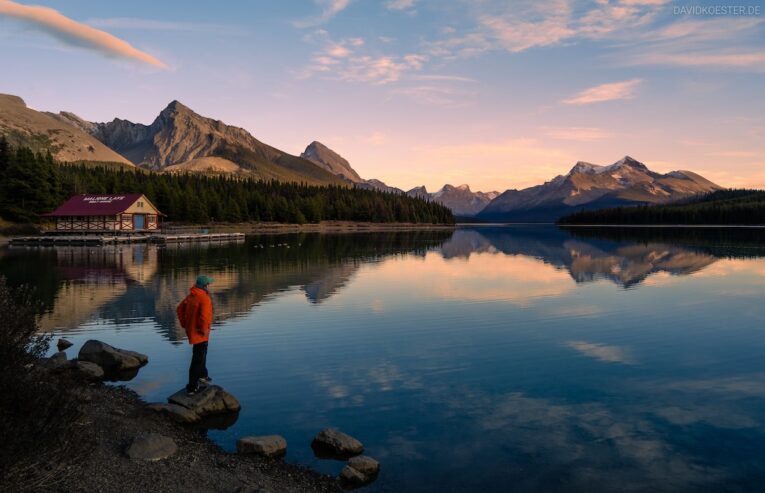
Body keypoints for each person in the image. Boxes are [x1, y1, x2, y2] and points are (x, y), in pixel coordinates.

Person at [176, 275, 214, 395]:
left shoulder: (192, 296)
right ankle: (192, 387)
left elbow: (179, 309)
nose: (210, 286)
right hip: (200, 333)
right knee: (197, 358)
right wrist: (204, 330)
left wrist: (184, 324)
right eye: (208, 284)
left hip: (192, 330)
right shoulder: (204, 298)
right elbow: (204, 317)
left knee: (203, 353)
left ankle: (203, 375)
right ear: (205, 286)